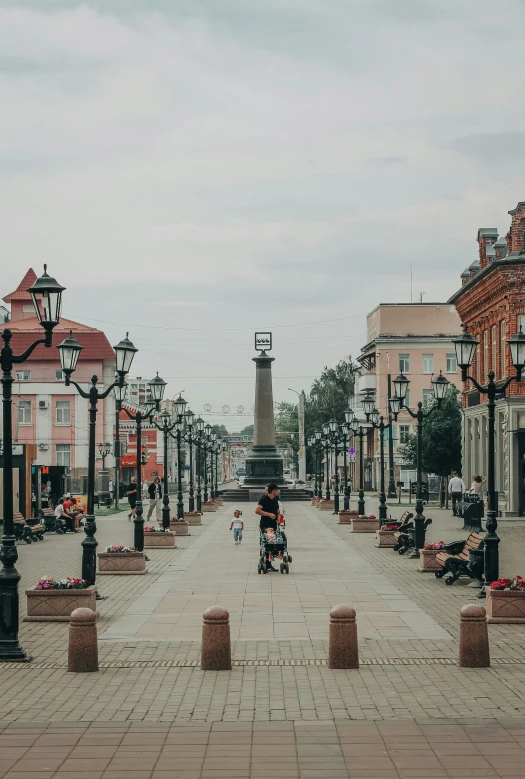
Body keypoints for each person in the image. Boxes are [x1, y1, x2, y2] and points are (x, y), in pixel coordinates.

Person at [256, 483, 280, 571]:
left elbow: (277, 510)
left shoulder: (275, 499)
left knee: (275, 543)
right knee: (268, 543)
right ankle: (267, 563)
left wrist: (278, 518)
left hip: (273, 525)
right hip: (265, 525)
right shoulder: (264, 499)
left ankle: (269, 563)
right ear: (273, 490)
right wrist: (268, 514)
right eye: (277, 490)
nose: (278, 492)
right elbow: (257, 510)